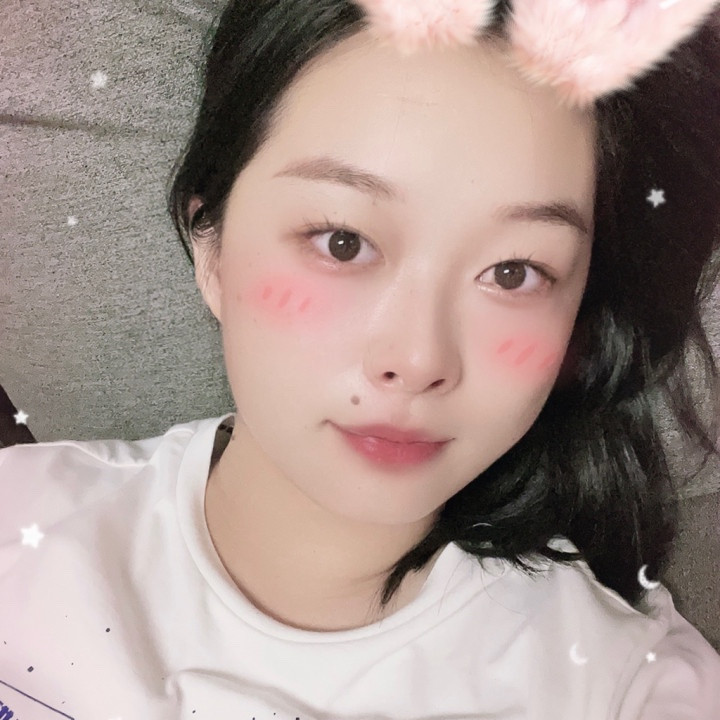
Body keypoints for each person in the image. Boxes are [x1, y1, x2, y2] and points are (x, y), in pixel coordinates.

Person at [1, 0, 720, 717]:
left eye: (514, 273)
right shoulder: (21, 521)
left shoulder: (617, 684)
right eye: (343, 243)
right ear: (210, 248)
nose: (418, 358)